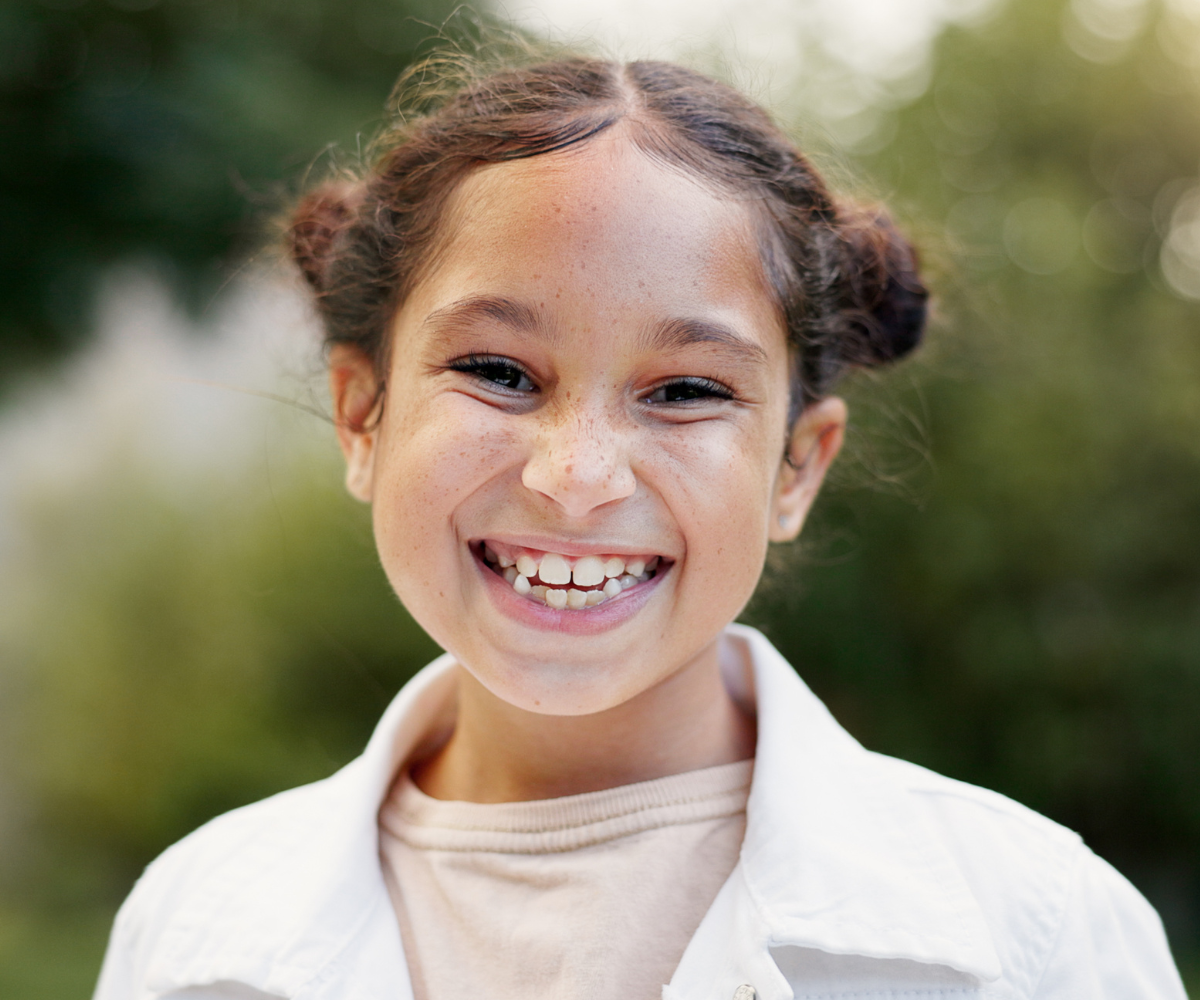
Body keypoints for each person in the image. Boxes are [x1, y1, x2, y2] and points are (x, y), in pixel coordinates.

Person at [93, 55, 1187, 1000]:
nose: (576, 479)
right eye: (498, 371)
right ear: (362, 415)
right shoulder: (192, 931)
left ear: (798, 467)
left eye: (686, 391)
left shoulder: (1034, 934)